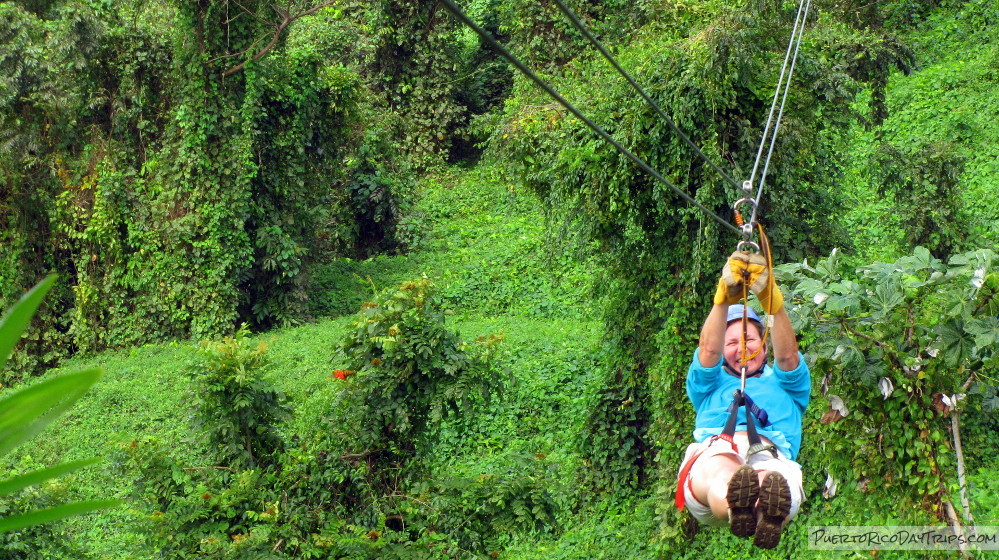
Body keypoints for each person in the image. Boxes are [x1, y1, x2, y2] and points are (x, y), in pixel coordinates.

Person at [675, 251, 810, 549]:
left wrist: (771, 303)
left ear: (763, 344)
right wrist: (723, 300)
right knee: (721, 469)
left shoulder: (786, 384)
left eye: (750, 339)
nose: (742, 348)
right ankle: (736, 501)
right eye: (732, 343)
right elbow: (707, 353)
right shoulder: (708, 384)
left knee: (772, 479)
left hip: (771, 453)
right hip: (717, 447)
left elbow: (788, 356)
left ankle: (763, 510)